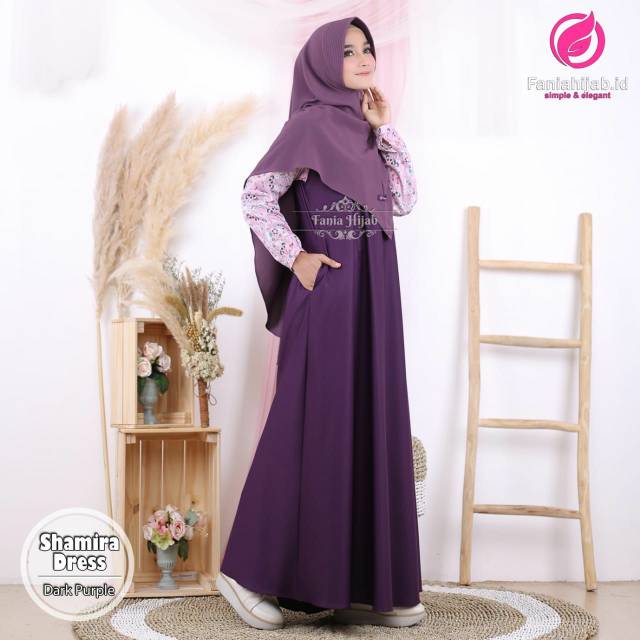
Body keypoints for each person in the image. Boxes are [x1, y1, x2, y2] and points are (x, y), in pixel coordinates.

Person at [215, 15, 424, 630]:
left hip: (375, 298)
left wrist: (386, 130)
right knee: (306, 424)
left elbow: (405, 200)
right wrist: (296, 256)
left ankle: (357, 583)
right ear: (323, 62)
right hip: (330, 295)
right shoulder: (307, 125)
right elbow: (256, 195)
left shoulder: (368, 131)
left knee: (366, 421)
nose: (362, 58)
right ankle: (244, 572)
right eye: (348, 51)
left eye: (367, 49)